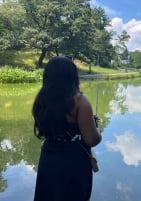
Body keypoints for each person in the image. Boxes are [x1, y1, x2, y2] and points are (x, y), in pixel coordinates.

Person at [32, 56, 102, 201]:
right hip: (73, 163)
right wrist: (96, 127)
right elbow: (92, 140)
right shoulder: (80, 101)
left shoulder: (41, 99)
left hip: (48, 158)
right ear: (72, 76)